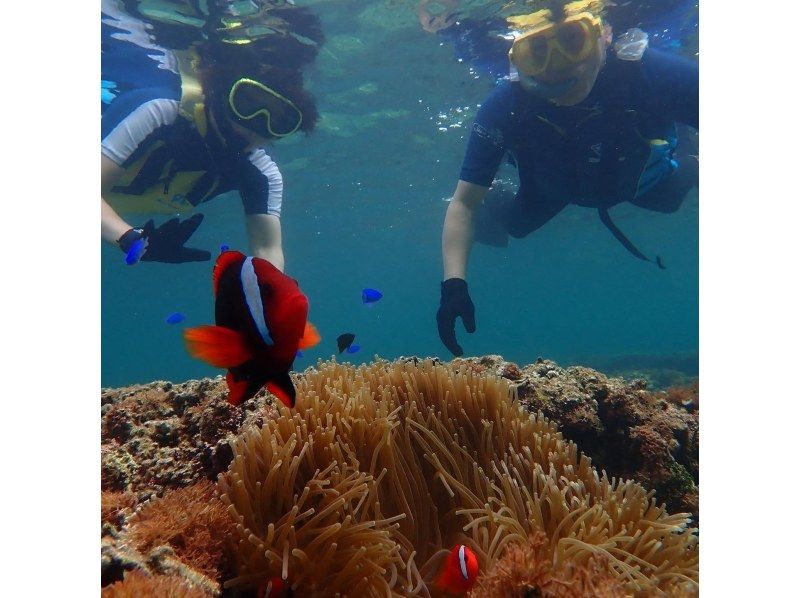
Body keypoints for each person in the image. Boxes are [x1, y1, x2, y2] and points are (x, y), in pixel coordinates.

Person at [435, 0, 698, 356]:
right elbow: (465, 203)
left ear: (605, 35)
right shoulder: (505, 105)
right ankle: (500, 194)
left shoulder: (652, 73)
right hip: (555, 189)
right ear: (516, 59)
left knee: (668, 199)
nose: (560, 66)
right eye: (538, 51)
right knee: (517, 224)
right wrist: (454, 286)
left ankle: (694, 155)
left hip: (642, 179)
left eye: (573, 40)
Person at [101, 0, 323, 271]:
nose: (255, 124)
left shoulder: (262, 172)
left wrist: (270, 305)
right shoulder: (159, 112)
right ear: (223, 93)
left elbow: (267, 250)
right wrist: (133, 242)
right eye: (248, 103)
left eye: (279, 121)